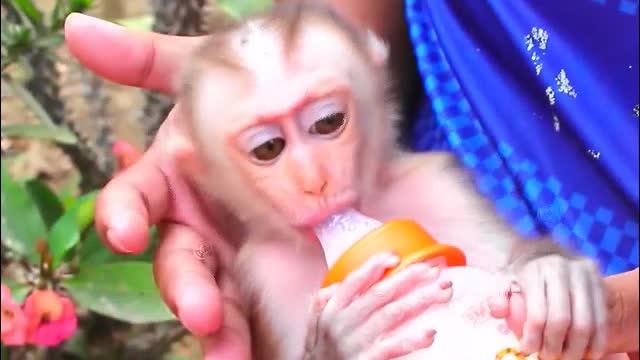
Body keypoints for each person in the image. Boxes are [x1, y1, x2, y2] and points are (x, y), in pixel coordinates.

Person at [63, 0, 638, 358]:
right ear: (205, 171)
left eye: (328, 122)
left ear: (371, 83)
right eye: (266, 148)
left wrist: (556, 283)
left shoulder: (438, 183)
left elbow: (526, 275)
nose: (312, 177)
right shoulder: (263, 276)